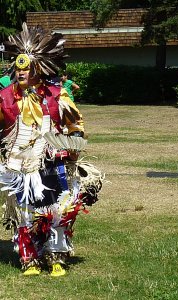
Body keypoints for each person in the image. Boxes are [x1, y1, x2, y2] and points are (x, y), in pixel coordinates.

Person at [0, 23, 103, 276]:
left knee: (59, 209)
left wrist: (72, 146)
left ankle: (55, 255)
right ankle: (29, 258)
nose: (20, 70)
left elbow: (75, 124)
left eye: (26, 65)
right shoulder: (5, 97)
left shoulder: (57, 95)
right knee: (25, 211)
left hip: (54, 161)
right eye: (18, 65)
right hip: (20, 163)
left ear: (40, 67)